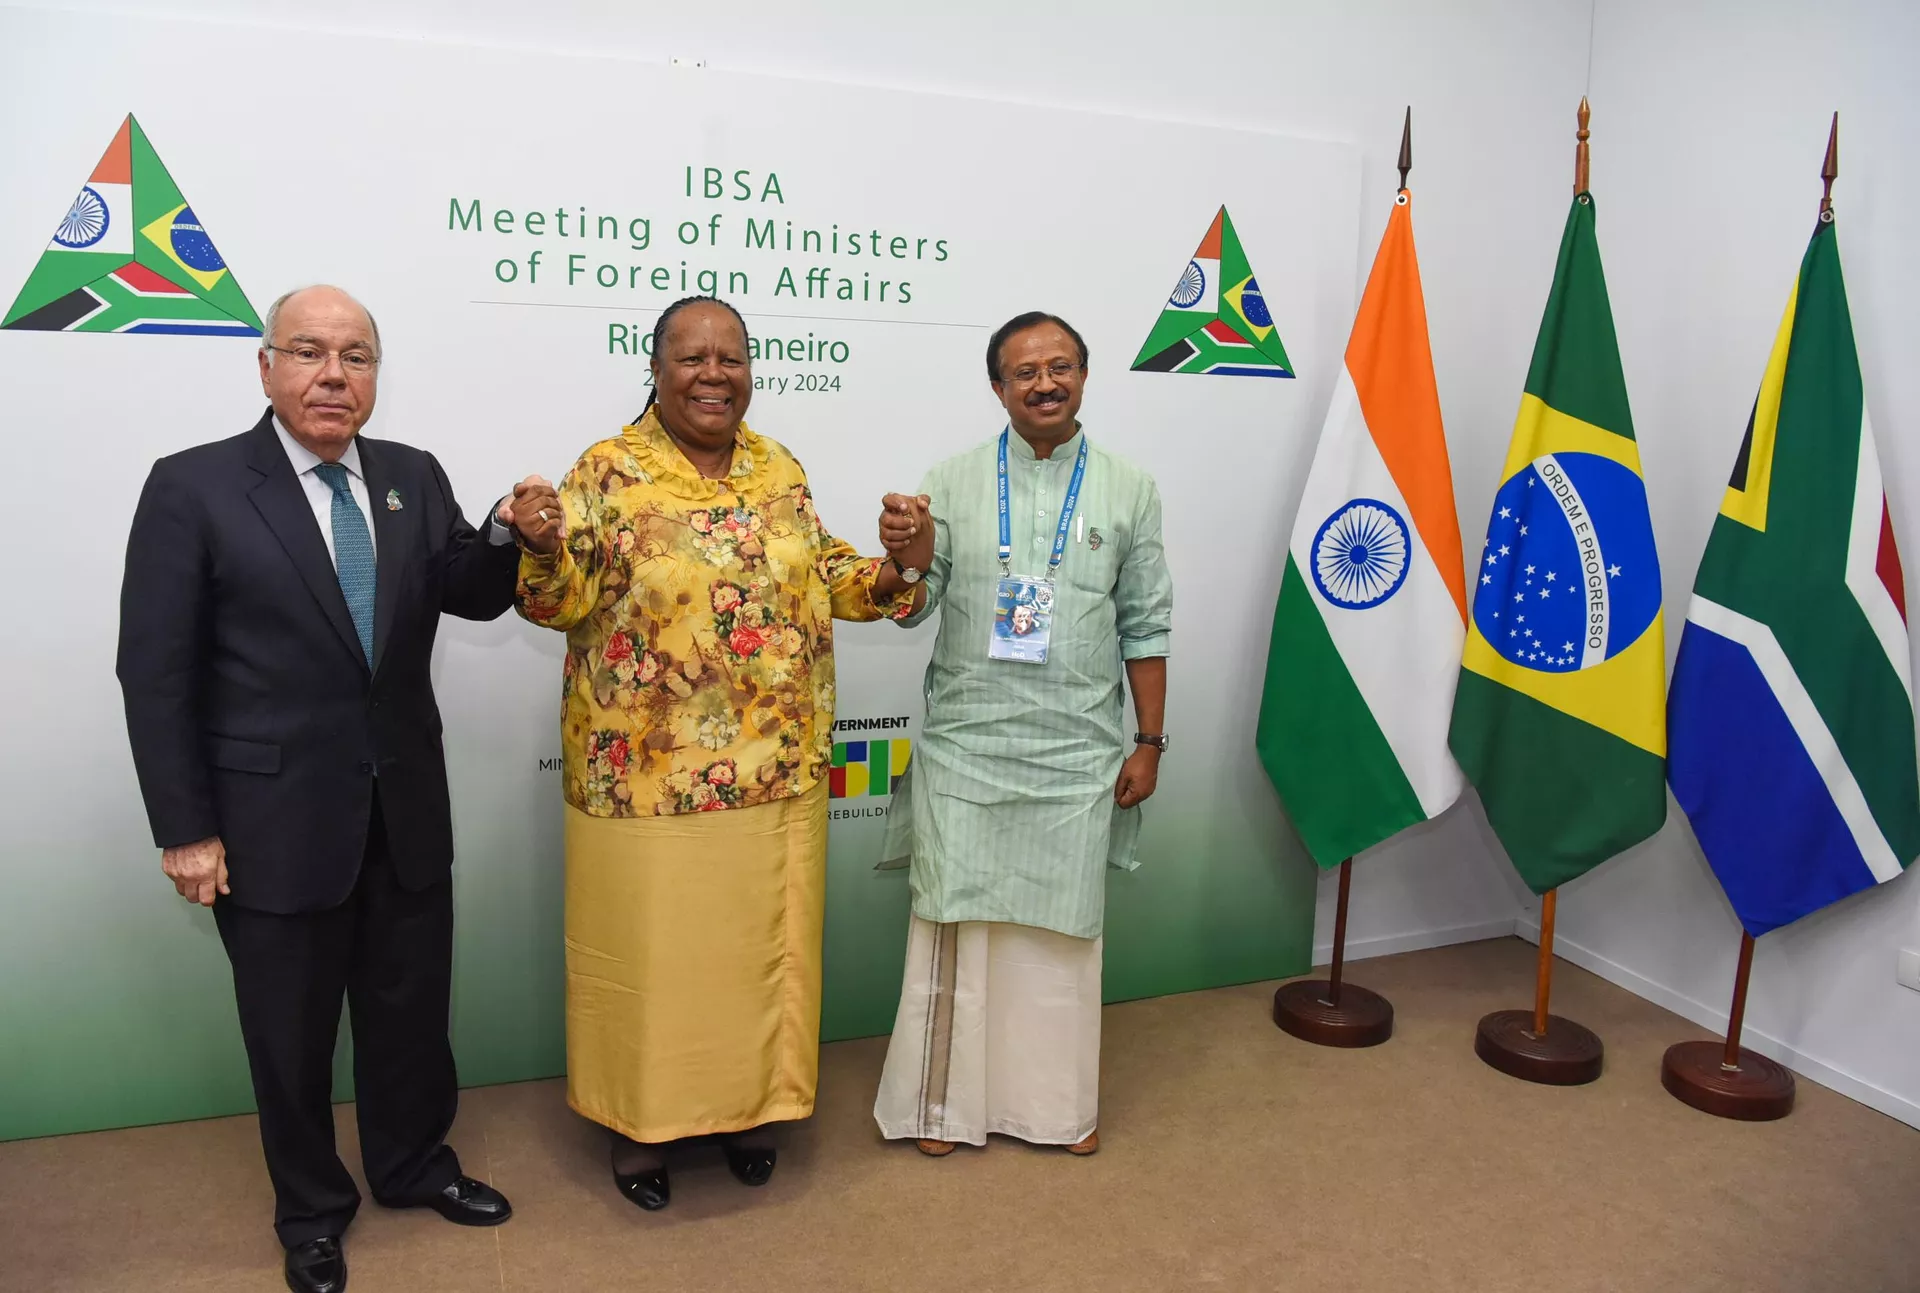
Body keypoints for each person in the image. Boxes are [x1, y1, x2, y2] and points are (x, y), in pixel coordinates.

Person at [116, 285, 557, 1293]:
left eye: (356, 356)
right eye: (310, 352)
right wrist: (186, 828)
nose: (333, 375)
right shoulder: (194, 487)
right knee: (291, 1035)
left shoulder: (407, 476)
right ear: (265, 367)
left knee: (410, 1016)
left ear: (374, 376)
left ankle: (412, 1166)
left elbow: (467, 594)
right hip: (269, 823)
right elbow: (156, 670)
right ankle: (312, 1211)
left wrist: (503, 535)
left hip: (402, 810)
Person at [514, 295, 932, 1211]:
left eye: (731, 357)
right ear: (655, 369)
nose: (714, 373)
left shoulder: (778, 466)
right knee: (651, 962)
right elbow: (563, 601)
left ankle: (749, 1109)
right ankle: (640, 1126)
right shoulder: (610, 468)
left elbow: (826, 575)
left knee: (754, 955)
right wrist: (542, 546)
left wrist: (901, 565)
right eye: (692, 357)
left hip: (774, 770)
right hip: (643, 778)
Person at [872, 311, 1173, 1156]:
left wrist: (1149, 742)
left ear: (1084, 373)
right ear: (997, 386)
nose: (1045, 383)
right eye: (1025, 371)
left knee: (1060, 946)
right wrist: (905, 552)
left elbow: (1147, 625)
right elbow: (911, 605)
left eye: (1061, 366)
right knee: (955, 933)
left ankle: (1056, 1110)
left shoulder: (1128, 488)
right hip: (966, 751)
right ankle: (940, 1110)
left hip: (1076, 753)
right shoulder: (953, 480)